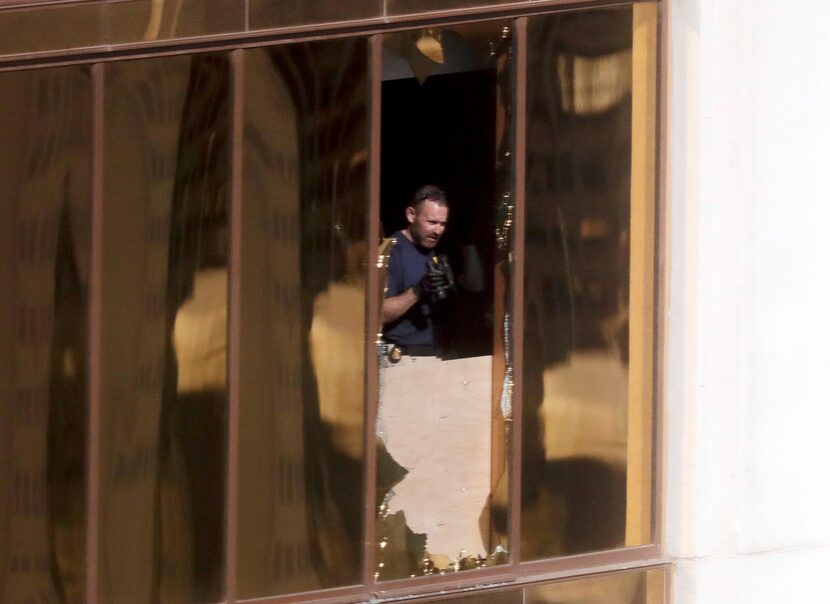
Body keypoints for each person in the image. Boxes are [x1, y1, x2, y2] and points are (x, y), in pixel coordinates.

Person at [382, 184, 455, 355]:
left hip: (438, 352)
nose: (438, 230)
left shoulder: (432, 248)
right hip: (404, 356)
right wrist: (419, 290)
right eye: (432, 222)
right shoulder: (392, 251)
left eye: (443, 224)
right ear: (411, 215)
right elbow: (378, 314)